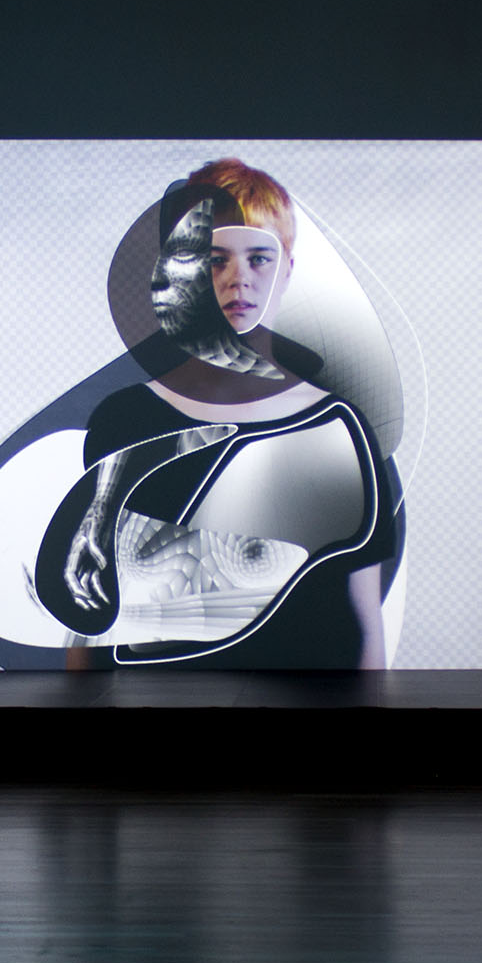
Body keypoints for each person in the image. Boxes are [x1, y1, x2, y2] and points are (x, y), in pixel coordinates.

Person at [33, 158, 403, 669]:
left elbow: (363, 623)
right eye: (215, 259)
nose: (239, 280)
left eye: (259, 258)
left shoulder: (341, 426)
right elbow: (93, 623)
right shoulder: (124, 421)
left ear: (288, 270)